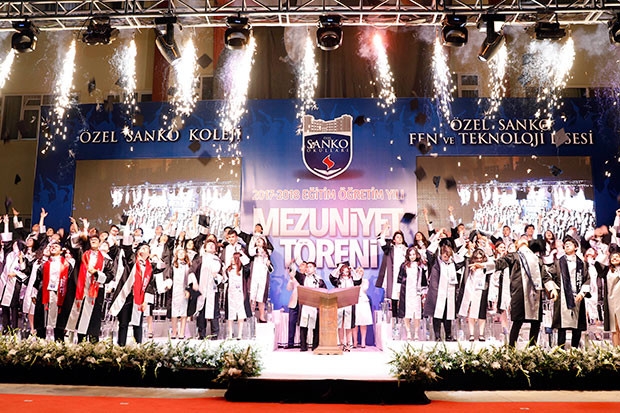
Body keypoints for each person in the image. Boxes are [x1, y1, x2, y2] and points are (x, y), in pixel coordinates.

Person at [494, 237, 559, 347]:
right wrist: (484, 265)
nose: (523, 240)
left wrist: (551, 288)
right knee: (517, 323)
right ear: (517, 245)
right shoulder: (514, 256)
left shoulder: (537, 259)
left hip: (535, 294)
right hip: (520, 293)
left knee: (535, 323)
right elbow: (499, 264)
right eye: (520, 240)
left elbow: (545, 276)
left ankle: (531, 349)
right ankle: (511, 349)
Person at [109, 242, 162, 346]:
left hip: (140, 298)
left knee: (137, 324)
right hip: (127, 295)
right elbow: (127, 249)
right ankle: (121, 347)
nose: (144, 249)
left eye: (147, 248)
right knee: (123, 323)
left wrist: (146, 301)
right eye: (142, 248)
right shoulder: (132, 260)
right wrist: (127, 231)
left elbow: (153, 281)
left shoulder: (150, 267)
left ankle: (138, 347)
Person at [66, 232, 115, 343]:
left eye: (96, 240)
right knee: (81, 315)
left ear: (100, 243)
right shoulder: (82, 254)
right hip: (82, 288)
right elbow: (72, 244)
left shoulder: (106, 259)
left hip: (97, 290)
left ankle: (94, 343)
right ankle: (81, 342)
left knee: (95, 316)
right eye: (91, 240)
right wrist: (81, 232)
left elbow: (110, 275)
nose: (93, 241)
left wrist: (97, 273)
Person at [423, 230, 466, 341]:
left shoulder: (452, 264)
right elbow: (429, 252)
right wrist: (437, 239)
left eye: (448, 256)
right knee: (437, 315)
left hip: (449, 294)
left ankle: (448, 335)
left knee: (448, 315)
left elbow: (461, 260)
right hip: (437, 293)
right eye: (445, 256)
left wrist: (463, 247)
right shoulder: (436, 262)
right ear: (441, 255)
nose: (447, 258)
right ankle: (437, 336)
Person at [550, 236, 590, 348]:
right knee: (561, 327)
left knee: (577, 327)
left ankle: (574, 351)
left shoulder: (582, 263)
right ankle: (560, 351)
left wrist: (582, 293)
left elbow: (587, 279)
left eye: (570, 244)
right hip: (562, 297)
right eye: (565, 244)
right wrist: (552, 288)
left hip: (577, 297)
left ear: (576, 247)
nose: (567, 245)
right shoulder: (558, 262)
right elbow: (548, 275)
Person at [33, 240, 76, 341]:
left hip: (60, 294)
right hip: (45, 294)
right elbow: (38, 280)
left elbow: (70, 282)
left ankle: (59, 343)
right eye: (52, 246)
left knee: (59, 321)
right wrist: (34, 294)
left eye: (56, 246)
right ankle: (40, 343)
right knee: (42, 319)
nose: (53, 247)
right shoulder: (44, 265)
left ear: (61, 251)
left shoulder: (67, 265)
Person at [188, 239, 223, 339]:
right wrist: (194, 282)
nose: (211, 246)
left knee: (214, 311)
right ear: (205, 248)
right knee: (201, 311)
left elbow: (222, 275)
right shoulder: (200, 259)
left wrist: (216, 277)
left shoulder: (218, 260)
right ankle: (201, 334)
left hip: (212, 289)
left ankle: (215, 334)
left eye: (213, 245)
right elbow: (191, 271)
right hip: (201, 289)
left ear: (215, 249)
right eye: (209, 244)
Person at [375, 224, 408, 327]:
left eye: (401, 237)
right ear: (394, 240)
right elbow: (380, 240)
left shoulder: (407, 250)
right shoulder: (390, 248)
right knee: (394, 299)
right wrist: (385, 229)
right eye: (397, 237)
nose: (399, 238)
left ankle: (404, 323)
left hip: (404, 276)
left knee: (403, 298)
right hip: (392, 276)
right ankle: (395, 323)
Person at [458, 248, 493, 341]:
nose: (479, 260)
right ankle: (471, 334)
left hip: (482, 291)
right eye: (477, 258)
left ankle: (481, 334)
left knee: (482, 313)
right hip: (471, 291)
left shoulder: (486, 266)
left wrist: (481, 265)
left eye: (480, 258)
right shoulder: (469, 266)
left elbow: (492, 263)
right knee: (471, 313)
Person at [329, 263, 359, 351]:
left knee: (348, 325)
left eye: (347, 271)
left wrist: (353, 270)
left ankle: (348, 344)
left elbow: (358, 280)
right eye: (343, 271)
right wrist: (338, 268)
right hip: (339, 304)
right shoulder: (338, 280)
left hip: (350, 304)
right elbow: (331, 277)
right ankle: (341, 343)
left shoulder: (352, 280)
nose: (345, 273)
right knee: (340, 325)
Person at [397, 246, 425, 341]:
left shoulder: (420, 266)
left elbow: (424, 281)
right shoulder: (404, 266)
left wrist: (423, 294)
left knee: (417, 313)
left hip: (417, 292)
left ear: (416, 255)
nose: (412, 256)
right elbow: (399, 280)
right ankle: (408, 332)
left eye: (413, 254)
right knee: (406, 312)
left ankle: (416, 333)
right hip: (406, 292)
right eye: (410, 254)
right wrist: (398, 293)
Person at [297, 261, 326, 351]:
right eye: (307, 267)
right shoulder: (302, 277)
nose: (308, 268)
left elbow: (325, 291)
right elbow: (293, 272)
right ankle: (303, 346)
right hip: (305, 305)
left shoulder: (319, 279)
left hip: (315, 305)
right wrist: (291, 264)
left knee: (316, 327)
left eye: (310, 267)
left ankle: (315, 346)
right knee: (303, 326)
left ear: (314, 269)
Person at [596, 245, 620, 346]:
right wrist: (606, 254)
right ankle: (616, 351)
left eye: (617, 256)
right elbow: (597, 263)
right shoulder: (606, 270)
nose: (614, 258)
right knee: (614, 327)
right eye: (612, 257)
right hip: (612, 301)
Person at [224, 252, 251, 339]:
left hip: (240, 293)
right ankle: (230, 334)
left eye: (234, 258)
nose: (232, 260)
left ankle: (239, 334)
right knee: (230, 314)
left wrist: (241, 254)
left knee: (241, 313)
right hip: (230, 293)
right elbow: (225, 280)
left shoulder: (243, 270)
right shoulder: (228, 269)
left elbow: (247, 264)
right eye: (232, 258)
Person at [248, 236, 273, 323]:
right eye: (257, 240)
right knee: (252, 295)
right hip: (254, 275)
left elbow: (271, 269)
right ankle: (251, 315)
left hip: (263, 276)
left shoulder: (267, 253)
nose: (258, 241)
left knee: (261, 297)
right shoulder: (253, 251)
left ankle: (262, 316)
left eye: (260, 240)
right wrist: (257, 250)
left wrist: (268, 264)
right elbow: (251, 252)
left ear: (264, 243)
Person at [169, 248, 191, 339]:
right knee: (174, 312)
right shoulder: (173, 265)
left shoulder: (188, 265)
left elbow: (189, 278)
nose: (181, 254)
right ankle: (174, 332)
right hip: (175, 290)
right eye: (179, 253)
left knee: (183, 312)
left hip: (184, 290)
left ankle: (182, 332)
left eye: (183, 253)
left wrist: (188, 290)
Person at [286, 260, 307, 348]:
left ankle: (303, 343)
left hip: (304, 302)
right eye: (300, 265)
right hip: (294, 301)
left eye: (303, 265)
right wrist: (291, 280)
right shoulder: (294, 276)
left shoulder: (308, 278)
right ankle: (290, 343)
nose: (301, 266)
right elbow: (288, 289)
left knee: (303, 324)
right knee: (291, 323)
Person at [353, 267, 372, 348]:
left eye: (361, 272)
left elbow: (364, 289)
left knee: (363, 322)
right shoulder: (352, 281)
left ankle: (363, 341)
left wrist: (360, 280)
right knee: (355, 323)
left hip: (363, 302)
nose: (360, 273)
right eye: (358, 271)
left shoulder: (365, 281)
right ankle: (355, 341)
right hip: (355, 301)